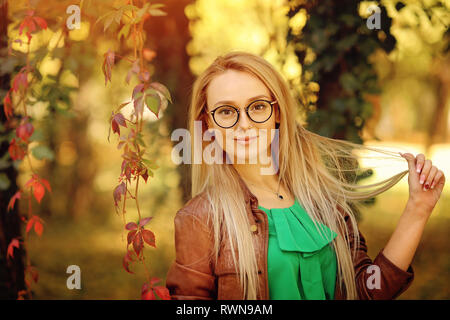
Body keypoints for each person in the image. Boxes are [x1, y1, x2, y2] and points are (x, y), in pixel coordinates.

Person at [165, 51, 446, 300]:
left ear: (277, 112)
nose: (245, 124)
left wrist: (418, 209)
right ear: (208, 123)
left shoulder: (321, 202)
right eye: (226, 111)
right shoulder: (200, 219)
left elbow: (366, 291)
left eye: (258, 106)